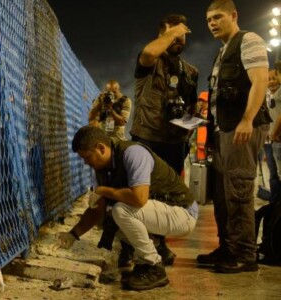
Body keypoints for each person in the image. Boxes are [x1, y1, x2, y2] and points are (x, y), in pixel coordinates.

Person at [54, 126, 198, 291]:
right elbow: (96, 211)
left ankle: (153, 266)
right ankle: (149, 255)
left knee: (121, 210)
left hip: (183, 212)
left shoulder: (133, 153)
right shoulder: (101, 169)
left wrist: (103, 191)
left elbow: (139, 198)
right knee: (108, 217)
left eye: (87, 157)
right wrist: (73, 234)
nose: (86, 163)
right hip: (161, 212)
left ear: (101, 148)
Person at [196, 0, 271, 273]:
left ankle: (244, 254)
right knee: (222, 192)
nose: (212, 24)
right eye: (208, 20)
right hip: (223, 129)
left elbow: (260, 80)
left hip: (242, 127)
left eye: (217, 17)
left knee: (238, 190)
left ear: (233, 15)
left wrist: (247, 119)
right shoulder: (223, 51)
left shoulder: (248, 40)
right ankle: (228, 248)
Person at [130, 14, 199, 175]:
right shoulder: (151, 60)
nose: (177, 38)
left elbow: (192, 106)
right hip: (146, 139)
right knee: (144, 193)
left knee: (171, 193)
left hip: (175, 143)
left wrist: (188, 131)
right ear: (162, 35)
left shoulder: (191, 71)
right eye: (173, 34)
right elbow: (149, 53)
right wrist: (173, 33)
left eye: (181, 35)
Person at [257, 69, 281, 202]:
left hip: (277, 139)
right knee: (273, 174)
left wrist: (275, 133)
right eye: (268, 79)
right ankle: (275, 204)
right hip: (269, 143)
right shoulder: (265, 96)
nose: (271, 82)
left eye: (274, 78)